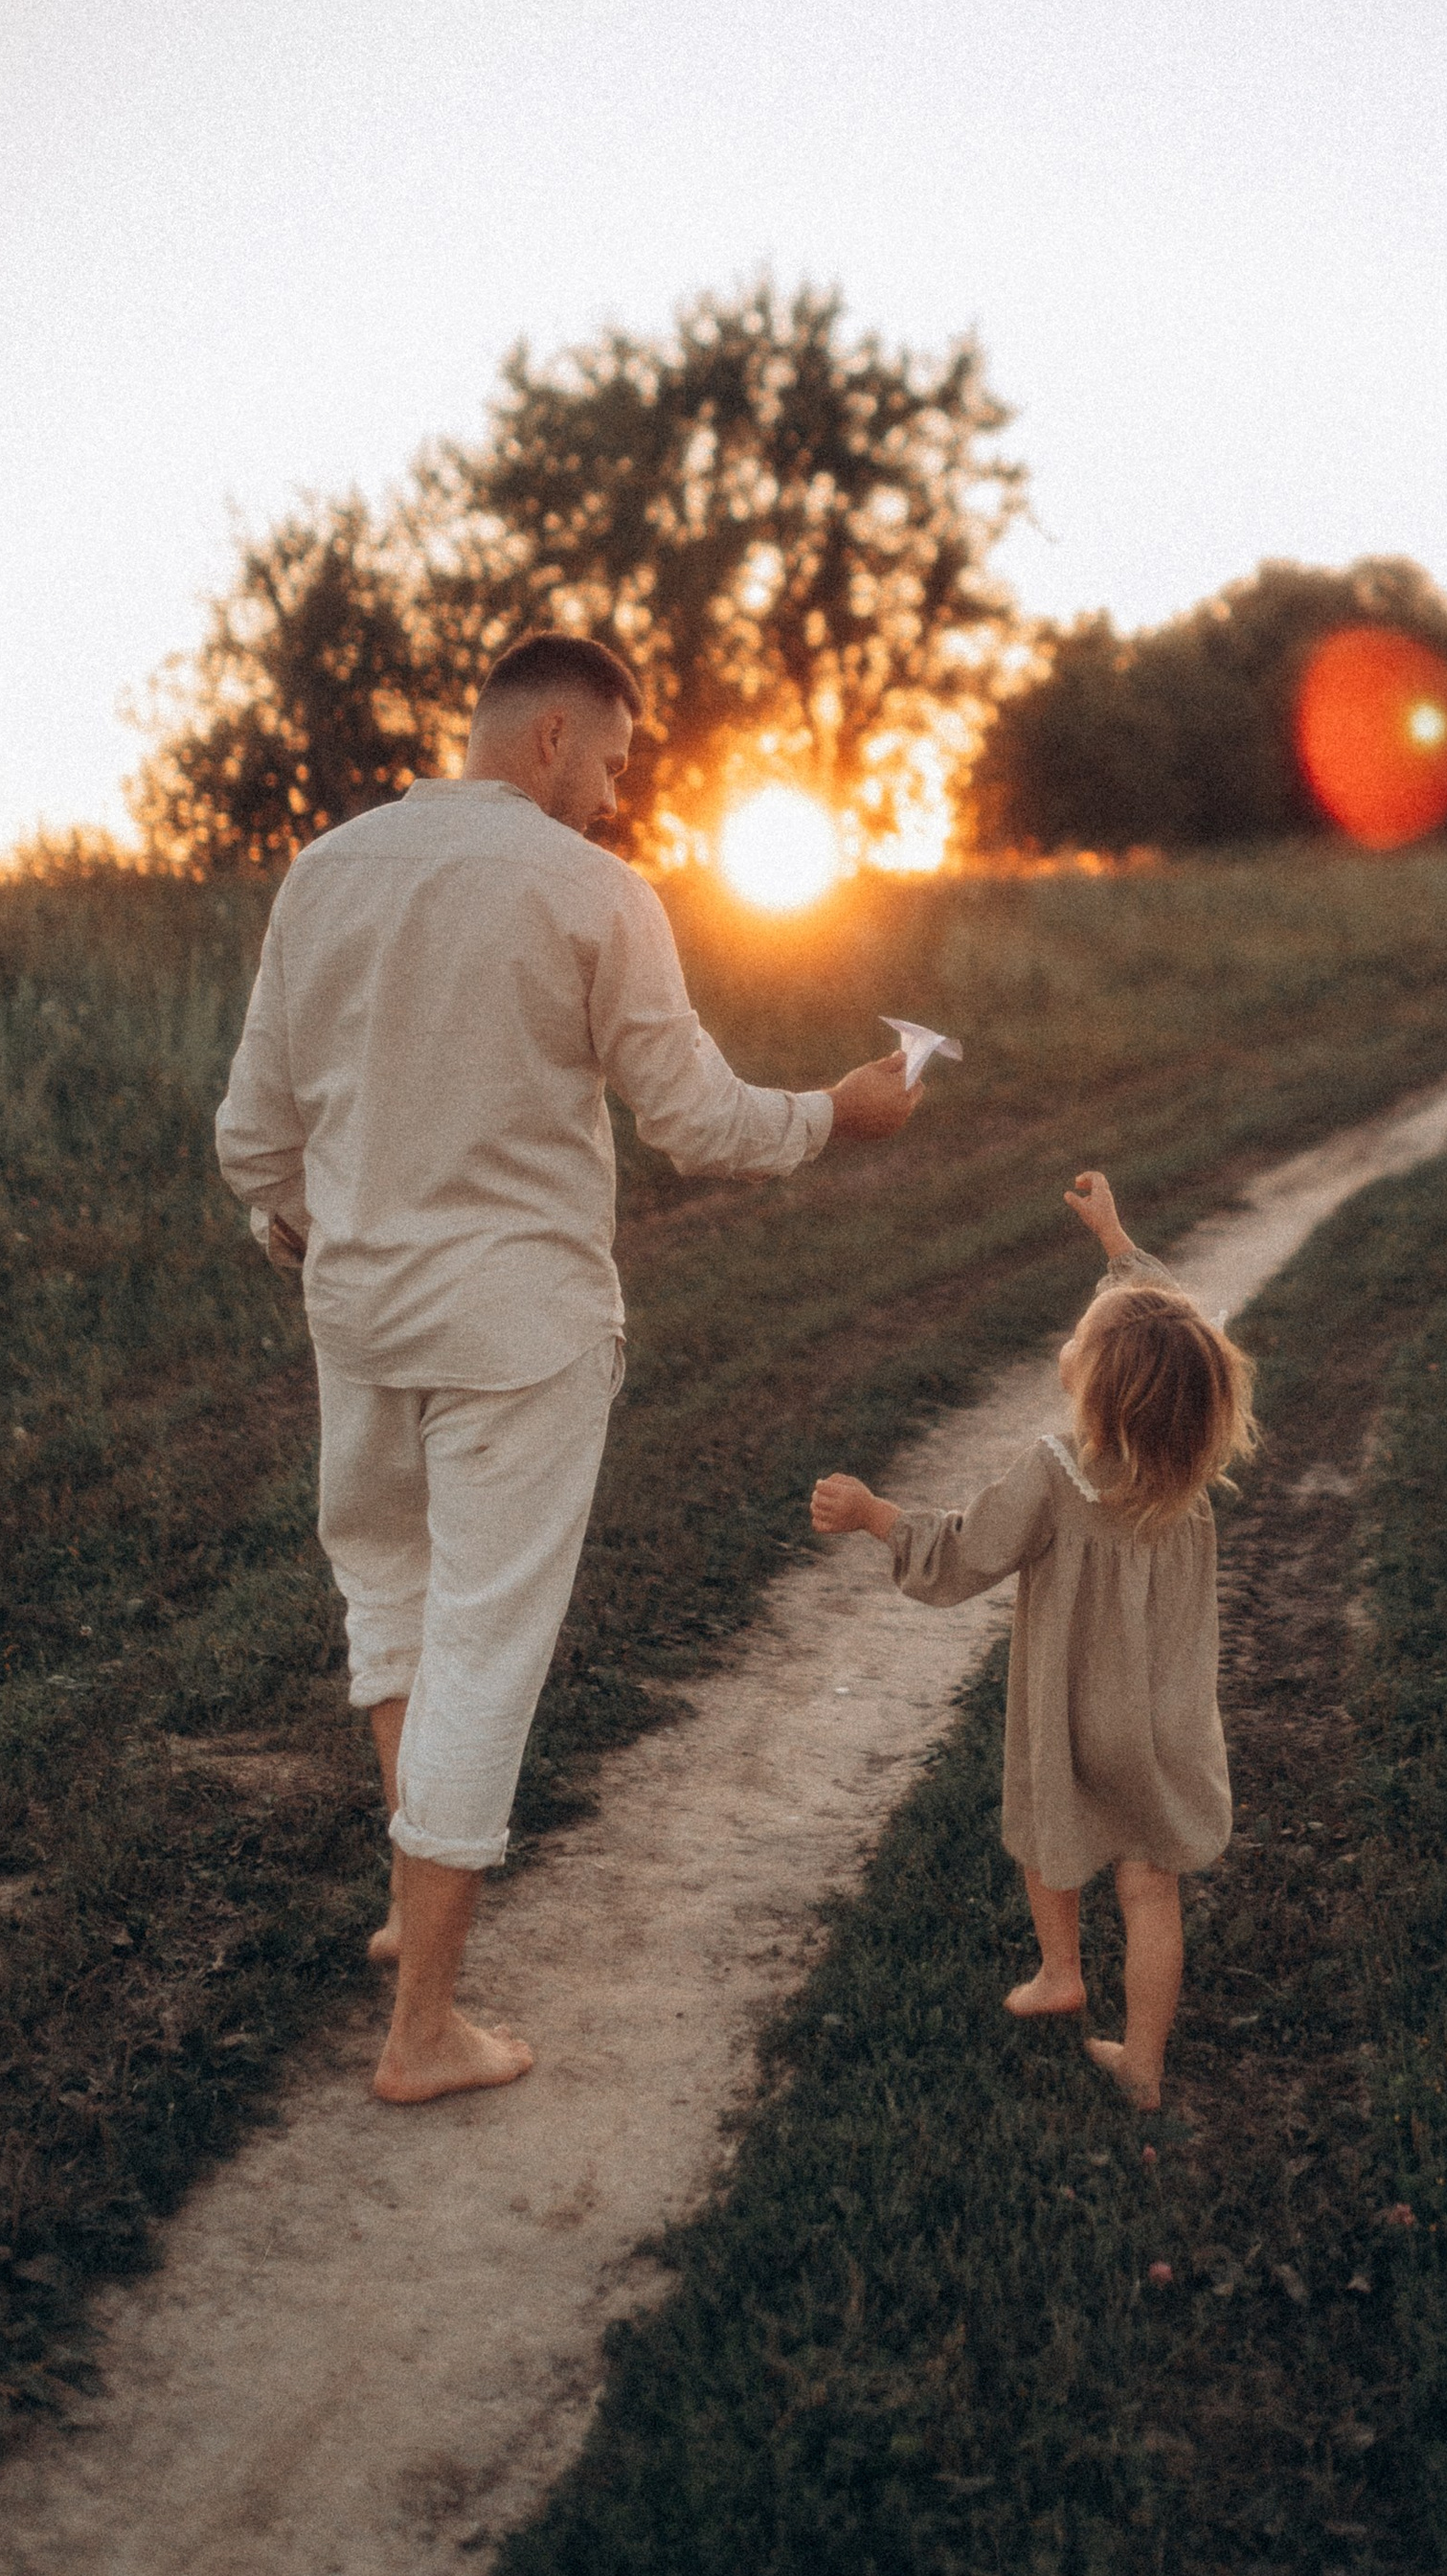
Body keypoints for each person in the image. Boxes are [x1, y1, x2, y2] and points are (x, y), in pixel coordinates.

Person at [215, 631, 919, 2105]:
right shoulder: (595, 892)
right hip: (516, 1325)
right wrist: (838, 1115)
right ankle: (424, 2031)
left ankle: (416, 1914)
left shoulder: (326, 871)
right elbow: (700, 1122)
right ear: (547, 738)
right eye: (610, 759)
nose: (613, 792)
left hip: (360, 1314)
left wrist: (297, 1229)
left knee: (394, 1601)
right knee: (483, 1644)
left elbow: (255, 1140)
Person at [809, 1169, 1255, 2112]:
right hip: (1167, 1723)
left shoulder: (1055, 1474)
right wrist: (1116, 1242)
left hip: (1073, 1717)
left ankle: (1060, 1970)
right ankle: (1142, 2064)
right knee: (1150, 1894)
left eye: (1082, 1341)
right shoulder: (1188, 1465)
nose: (1073, 1339)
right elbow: (1172, 1330)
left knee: (1044, 1827)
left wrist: (876, 1515)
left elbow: (966, 1555)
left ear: (1093, 1387)